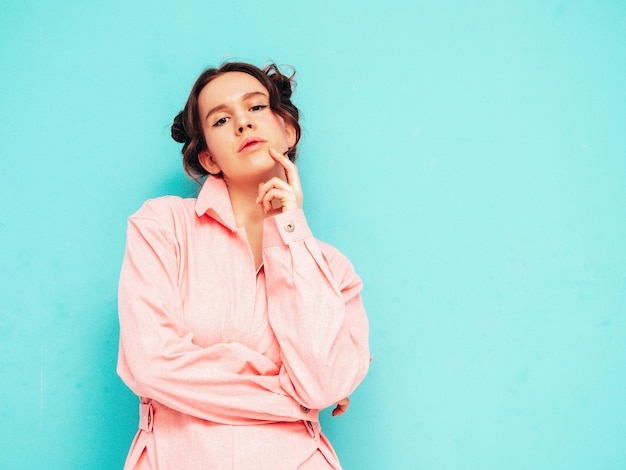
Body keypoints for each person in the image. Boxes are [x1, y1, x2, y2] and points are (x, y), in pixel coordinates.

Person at [117, 61, 370, 469]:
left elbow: (322, 384)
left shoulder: (333, 269)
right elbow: (152, 365)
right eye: (221, 119)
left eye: (255, 108)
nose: (242, 124)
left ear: (287, 131)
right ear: (209, 158)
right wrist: (294, 400)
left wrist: (290, 229)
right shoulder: (162, 227)